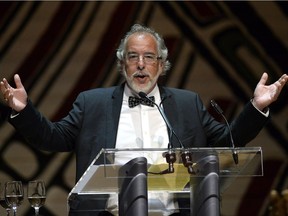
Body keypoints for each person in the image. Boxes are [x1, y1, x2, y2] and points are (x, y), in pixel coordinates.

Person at [1, 24, 288, 215]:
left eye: (149, 57)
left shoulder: (188, 103)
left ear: (162, 65)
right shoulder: (93, 103)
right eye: (132, 57)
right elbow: (52, 138)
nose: (140, 64)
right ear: (121, 63)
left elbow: (227, 141)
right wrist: (23, 110)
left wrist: (256, 107)